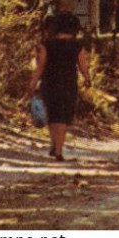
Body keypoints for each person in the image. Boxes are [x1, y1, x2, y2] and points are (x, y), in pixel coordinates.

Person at [32, 12, 90, 162]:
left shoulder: (47, 45)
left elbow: (40, 66)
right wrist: (87, 79)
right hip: (68, 83)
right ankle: (58, 150)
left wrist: (32, 83)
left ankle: (54, 144)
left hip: (49, 82)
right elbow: (83, 65)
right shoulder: (77, 46)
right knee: (63, 117)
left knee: (53, 115)